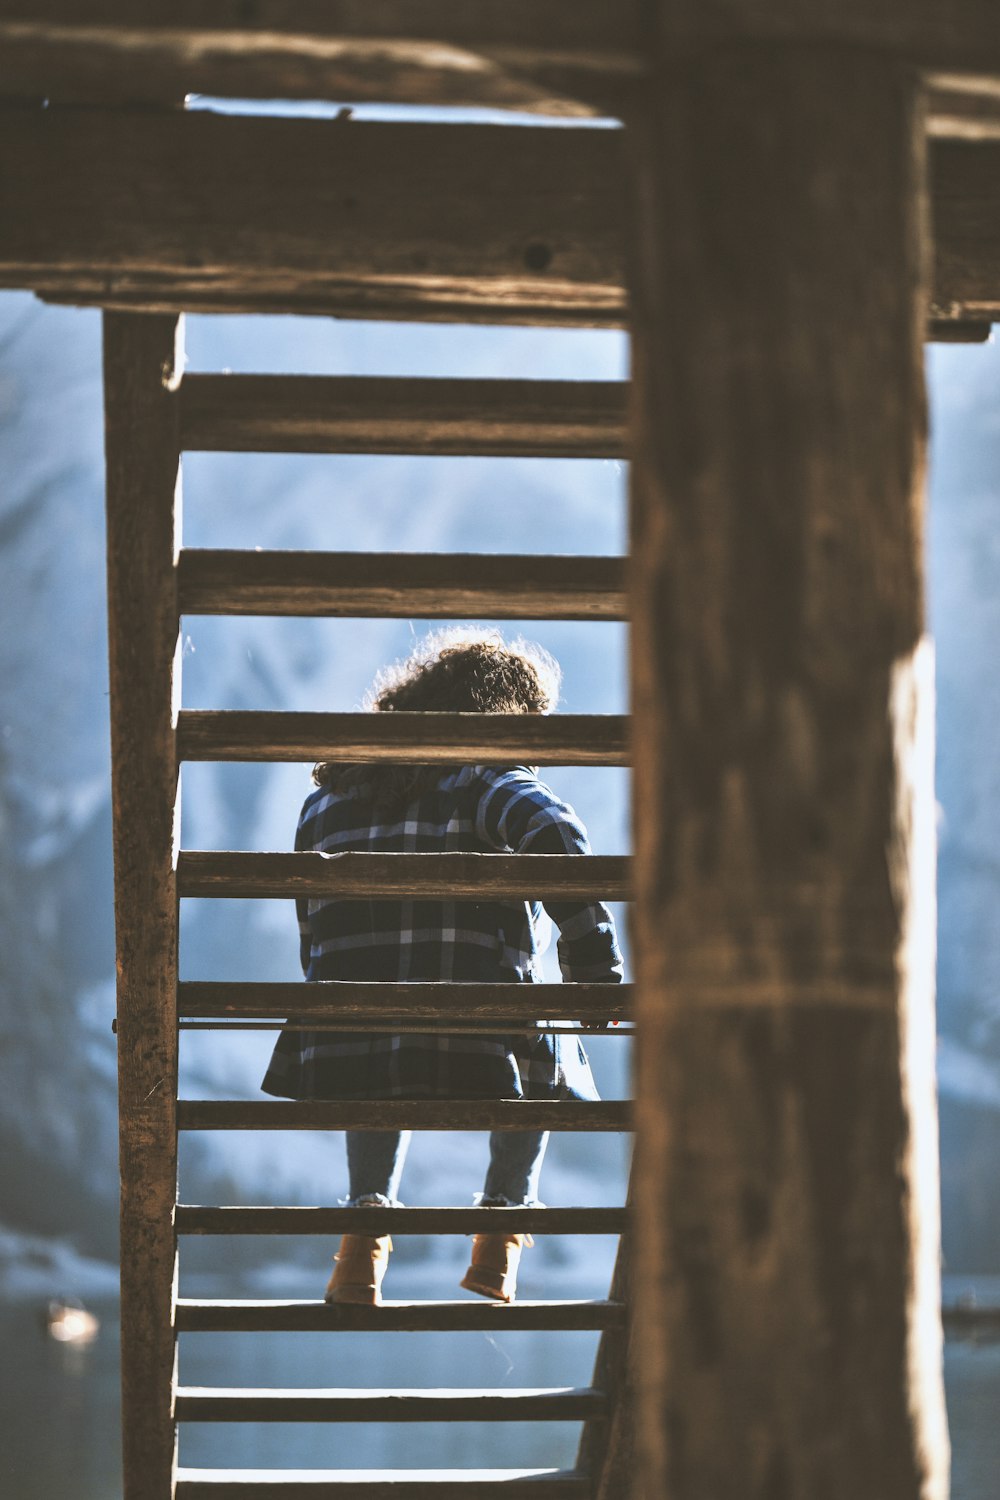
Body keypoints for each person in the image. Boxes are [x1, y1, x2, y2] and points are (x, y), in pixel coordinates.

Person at [262, 629, 623, 1304]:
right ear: (504, 717)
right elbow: (555, 833)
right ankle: (500, 1231)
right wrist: (591, 964)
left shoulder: (325, 802)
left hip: (349, 1054)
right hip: (482, 1050)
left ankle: (362, 1243)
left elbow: (313, 930)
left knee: (372, 1001)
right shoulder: (484, 780)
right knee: (542, 1011)